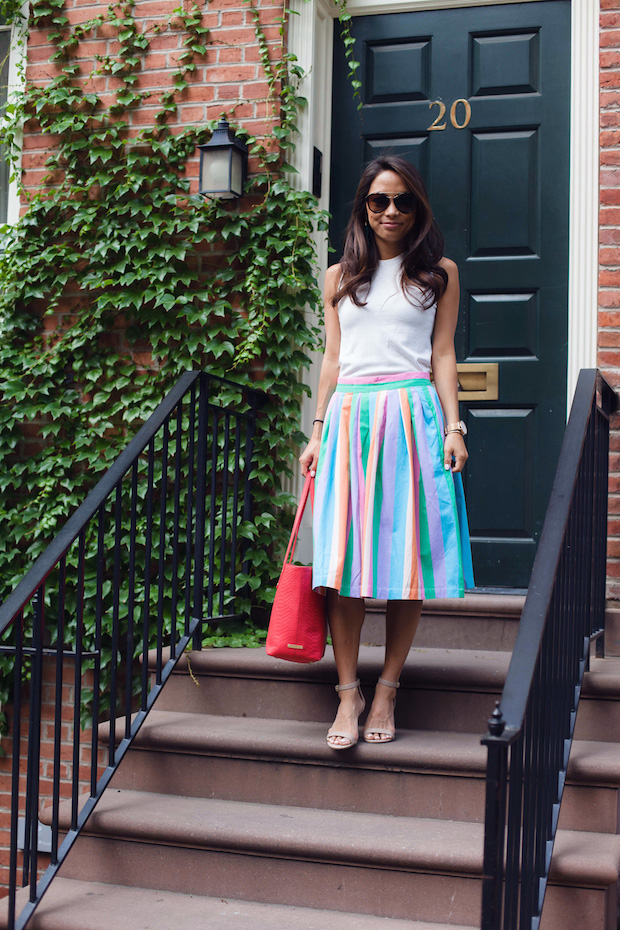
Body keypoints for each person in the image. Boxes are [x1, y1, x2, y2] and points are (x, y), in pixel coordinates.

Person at [299, 155, 474, 750]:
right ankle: (348, 694)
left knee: (406, 566)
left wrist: (454, 428)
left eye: (402, 200)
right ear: (363, 209)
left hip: (412, 418)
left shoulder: (438, 274)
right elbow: (332, 359)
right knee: (345, 565)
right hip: (350, 418)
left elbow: (443, 355)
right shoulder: (338, 276)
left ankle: (389, 688)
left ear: (416, 206)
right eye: (379, 201)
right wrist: (317, 429)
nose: (391, 211)